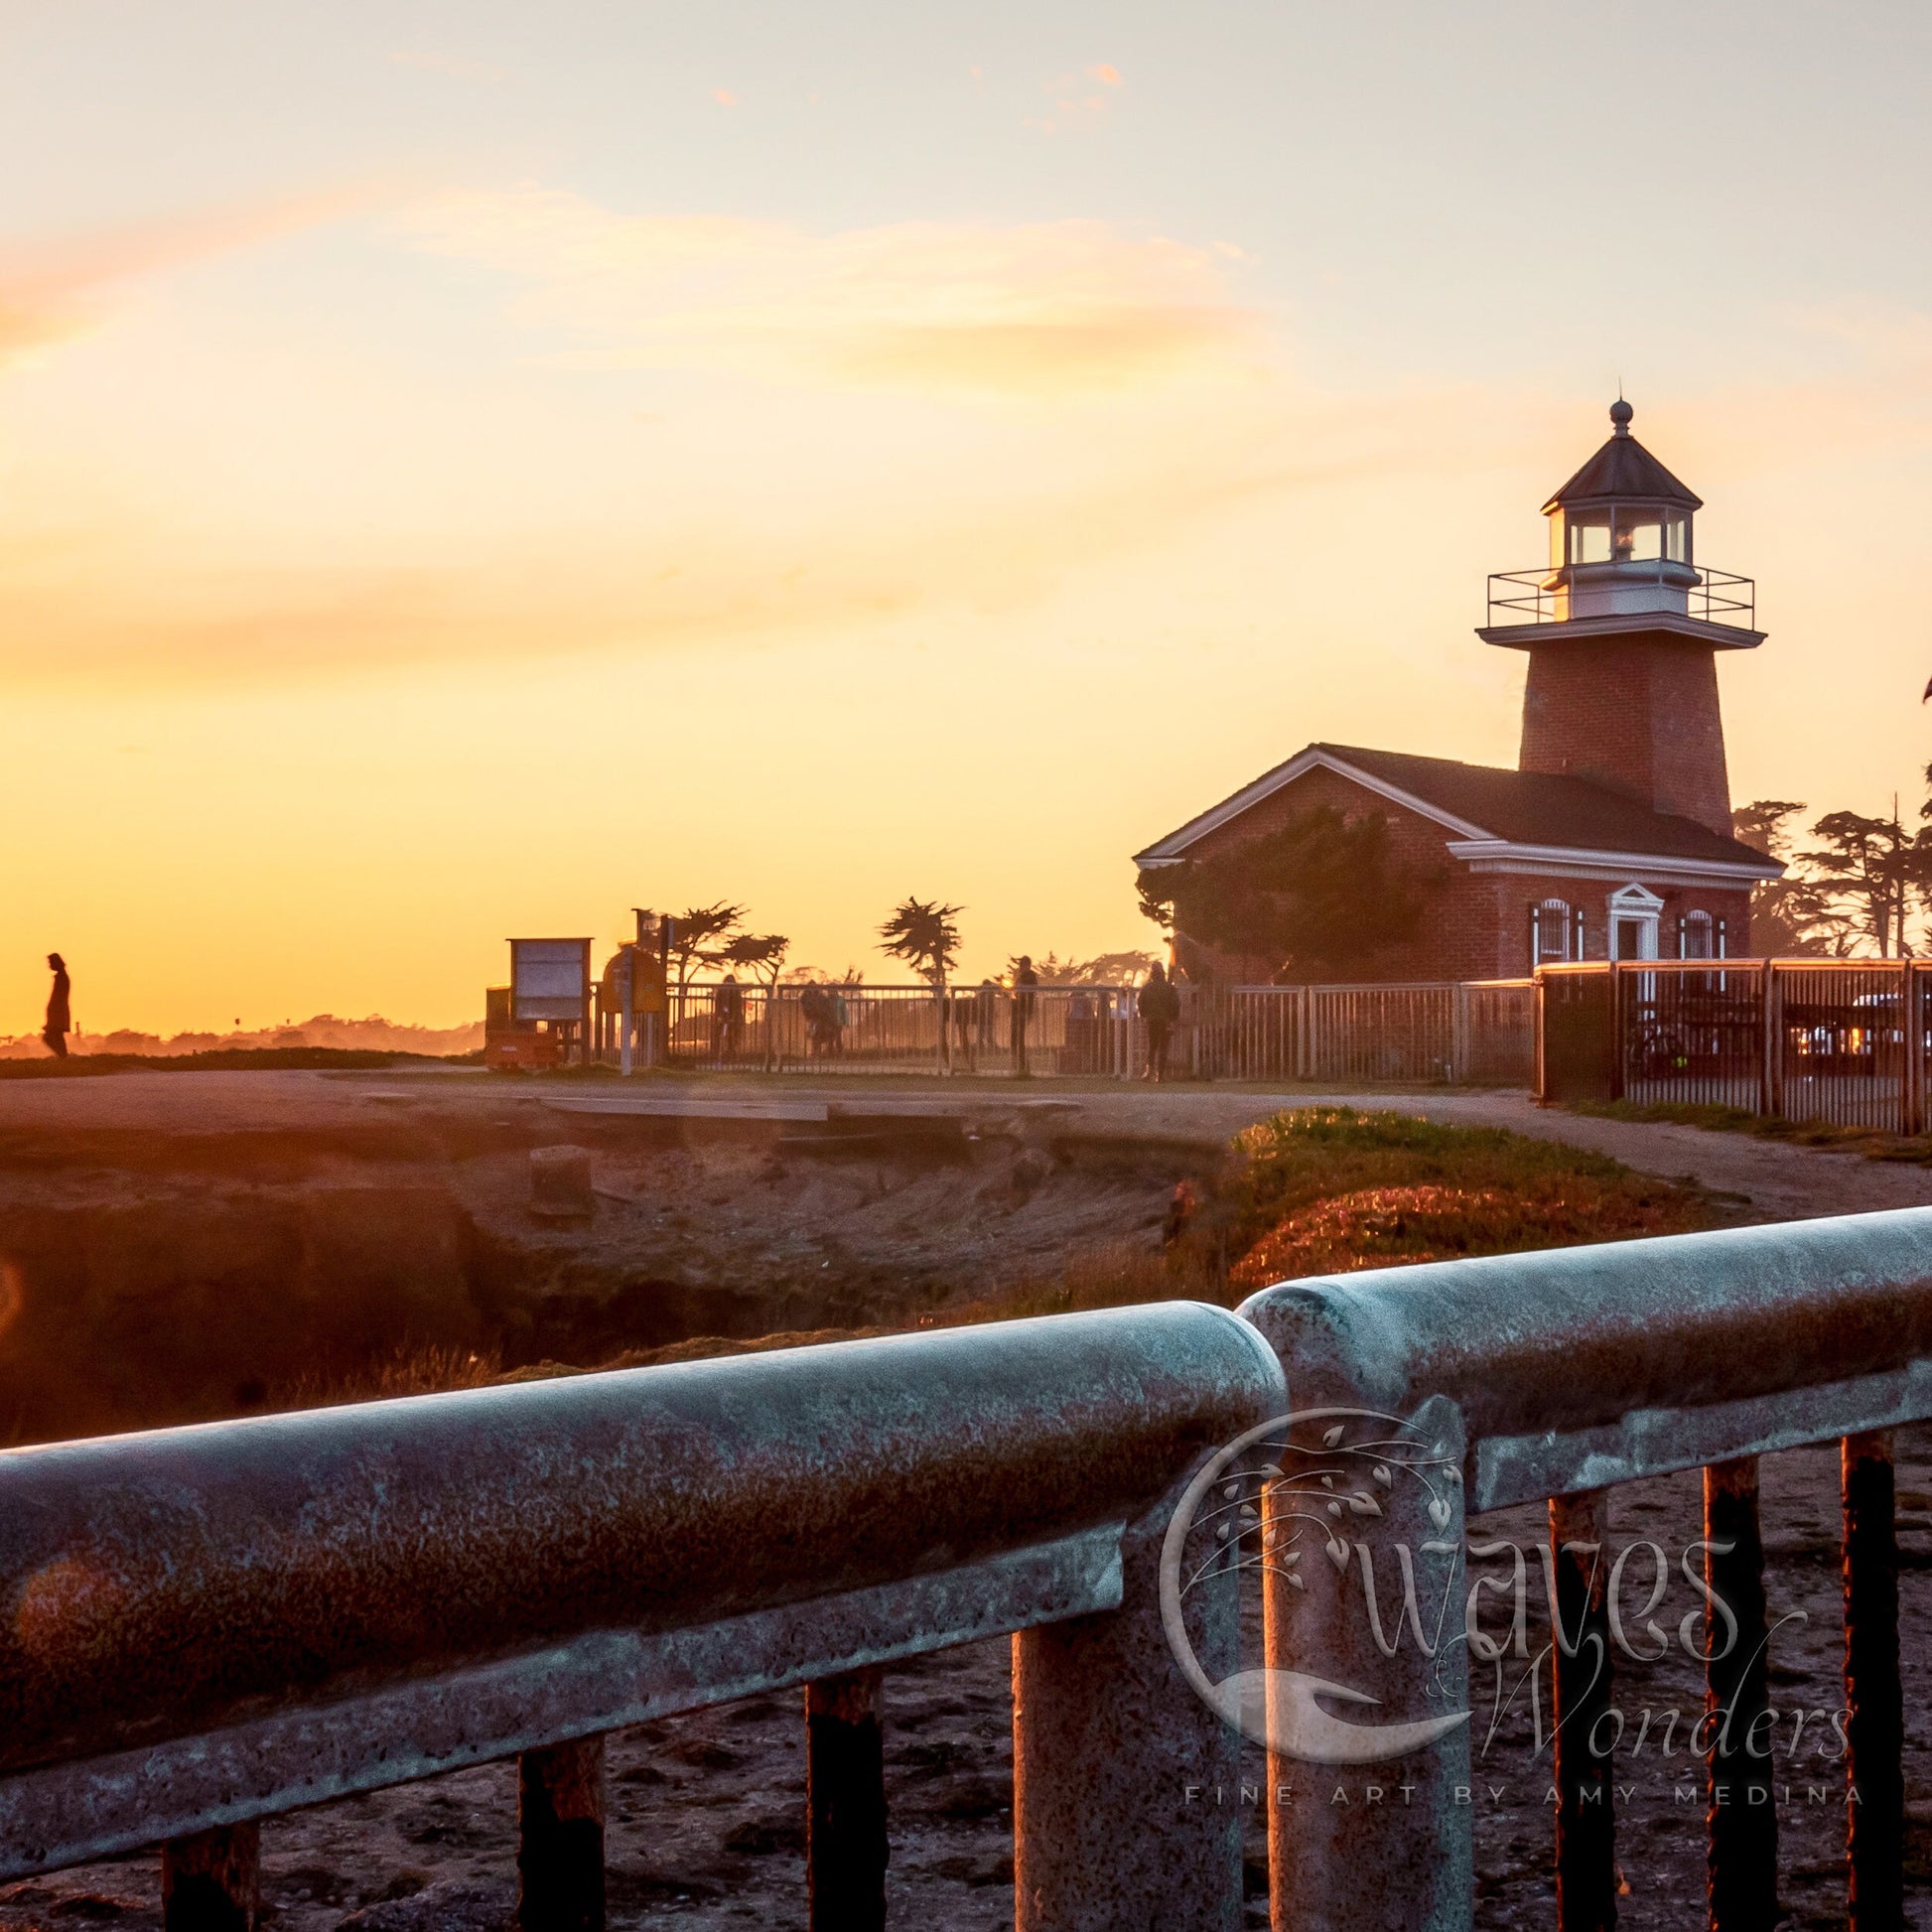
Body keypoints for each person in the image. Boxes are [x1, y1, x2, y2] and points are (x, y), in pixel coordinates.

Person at [1138, 960, 1181, 1083]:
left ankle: (1148, 1073)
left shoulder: (1147, 988)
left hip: (1152, 1020)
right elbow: (1176, 1004)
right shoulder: (1170, 988)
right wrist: (1173, 1018)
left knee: (1152, 1047)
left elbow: (1141, 1003)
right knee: (1163, 1047)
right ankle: (1160, 1075)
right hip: (1166, 1021)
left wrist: (1144, 1015)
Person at [1011, 955, 1039, 1076]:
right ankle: (1018, 1063)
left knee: (1019, 1038)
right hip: (1017, 1008)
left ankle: (1023, 1065)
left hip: (1024, 1009)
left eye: (1022, 965)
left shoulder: (1030, 976)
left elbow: (1028, 990)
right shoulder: (1020, 976)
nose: (1020, 967)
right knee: (1015, 1038)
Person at [42, 953, 70, 1058]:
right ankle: (63, 1056)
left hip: (58, 1012)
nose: (49, 965)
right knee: (56, 1037)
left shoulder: (61, 978)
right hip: (57, 1012)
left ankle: (62, 1056)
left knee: (50, 1037)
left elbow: (58, 998)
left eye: (50, 962)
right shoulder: (61, 977)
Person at [713, 975, 745, 1060]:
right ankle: (728, 1055)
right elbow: (737, 1005)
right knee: (729, 1036)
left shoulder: (722, 990)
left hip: (727, 1018)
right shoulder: (735, 991)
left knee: (726, 1036)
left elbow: (719, 1004)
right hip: (728, 1018)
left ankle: (724, 1055)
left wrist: (720, 1016)